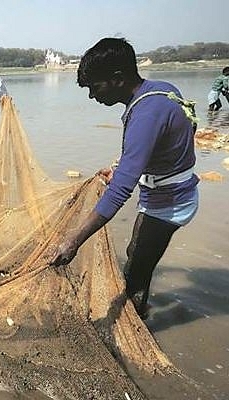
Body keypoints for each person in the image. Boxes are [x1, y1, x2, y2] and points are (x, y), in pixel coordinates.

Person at [49, 38, 199, 320]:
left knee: (135, 273)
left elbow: (119, 193)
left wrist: (73, 240)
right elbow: (163, 144)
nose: (93, 96)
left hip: (170, 202)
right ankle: (136, 314)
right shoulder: (159, 91)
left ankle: (133, 328)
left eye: (96, 87)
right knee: (137, 251)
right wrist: (121, 167)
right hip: (168, 193)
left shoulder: (146, 114)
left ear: (117, 79)